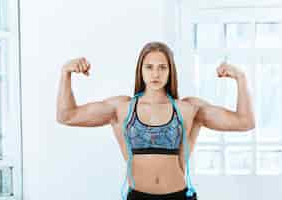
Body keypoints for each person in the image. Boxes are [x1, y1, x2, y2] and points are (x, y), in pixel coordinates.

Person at [56, 41, 255, 200]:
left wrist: (241, 78)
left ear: (170, 71)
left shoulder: (188, 109)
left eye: (162, 67)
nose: (156, 73)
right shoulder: (122, 108)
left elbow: (244, 122)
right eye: (149, 67)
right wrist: (65, 73)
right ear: (140, 70)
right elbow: (67, 116)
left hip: (178, 196)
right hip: (138, 197)